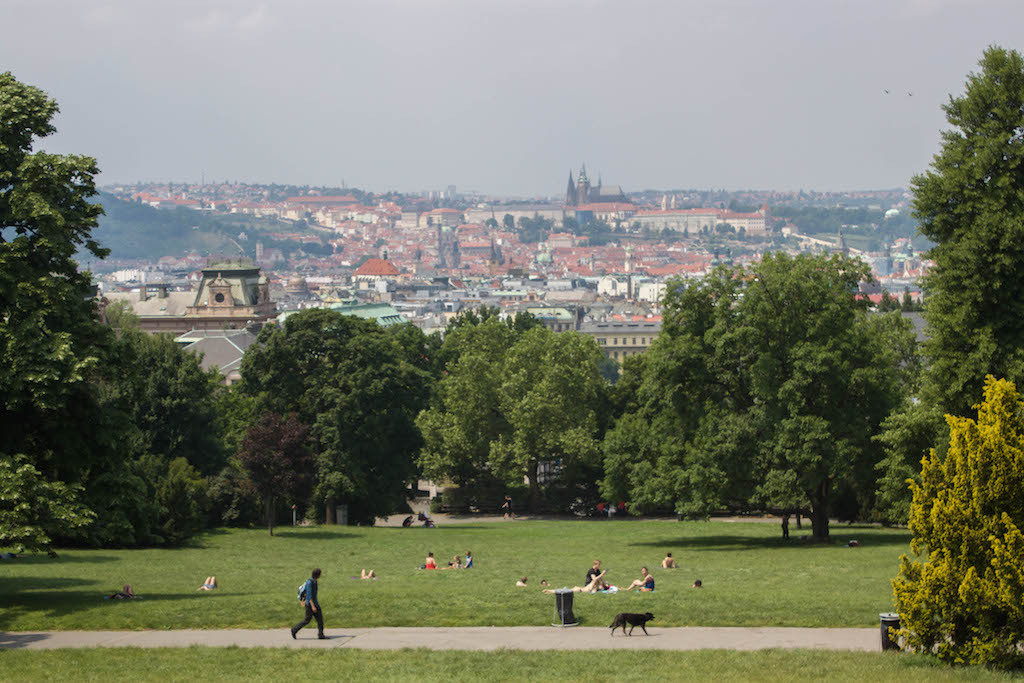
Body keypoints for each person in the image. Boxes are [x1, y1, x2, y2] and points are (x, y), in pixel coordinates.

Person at [291, 568, 325, 640]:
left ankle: (321, 634)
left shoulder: (315, 582)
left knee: (320, 619)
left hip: (315, 603)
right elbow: (309, 596)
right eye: (320, 574)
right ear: (317, 575)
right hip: (310, 605)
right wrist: (313, 606)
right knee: (307, 620)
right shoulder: (310, 583)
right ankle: (294, 630)